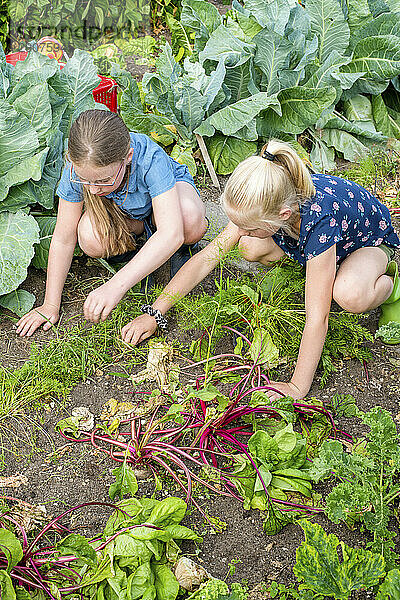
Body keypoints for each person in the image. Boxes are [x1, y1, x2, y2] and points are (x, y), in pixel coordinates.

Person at [121, 140, 400, 400]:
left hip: (367, 244)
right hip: (313, 240)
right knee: (249, 248)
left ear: (283, 216)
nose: (241, 231)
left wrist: (296, 387)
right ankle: (319, 269)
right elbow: (207, 258)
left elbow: (318, 316)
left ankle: (391, 288)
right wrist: (155, 313)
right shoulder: (268, 195)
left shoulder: (320, 221)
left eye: (249, 226)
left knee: (349, 295)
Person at [16, 110, 208, 337]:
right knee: (89, 237)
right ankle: (140, 252)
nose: (94, 189)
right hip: (128, 215)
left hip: (168, 207)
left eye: (103, 180)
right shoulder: (76, 169)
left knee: (189, 220)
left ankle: (176, 252)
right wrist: (50, 305)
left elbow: (171, 233)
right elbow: (63, 238)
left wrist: (115, 286)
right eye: (84, 180)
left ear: (127, 157)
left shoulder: (150, 158)